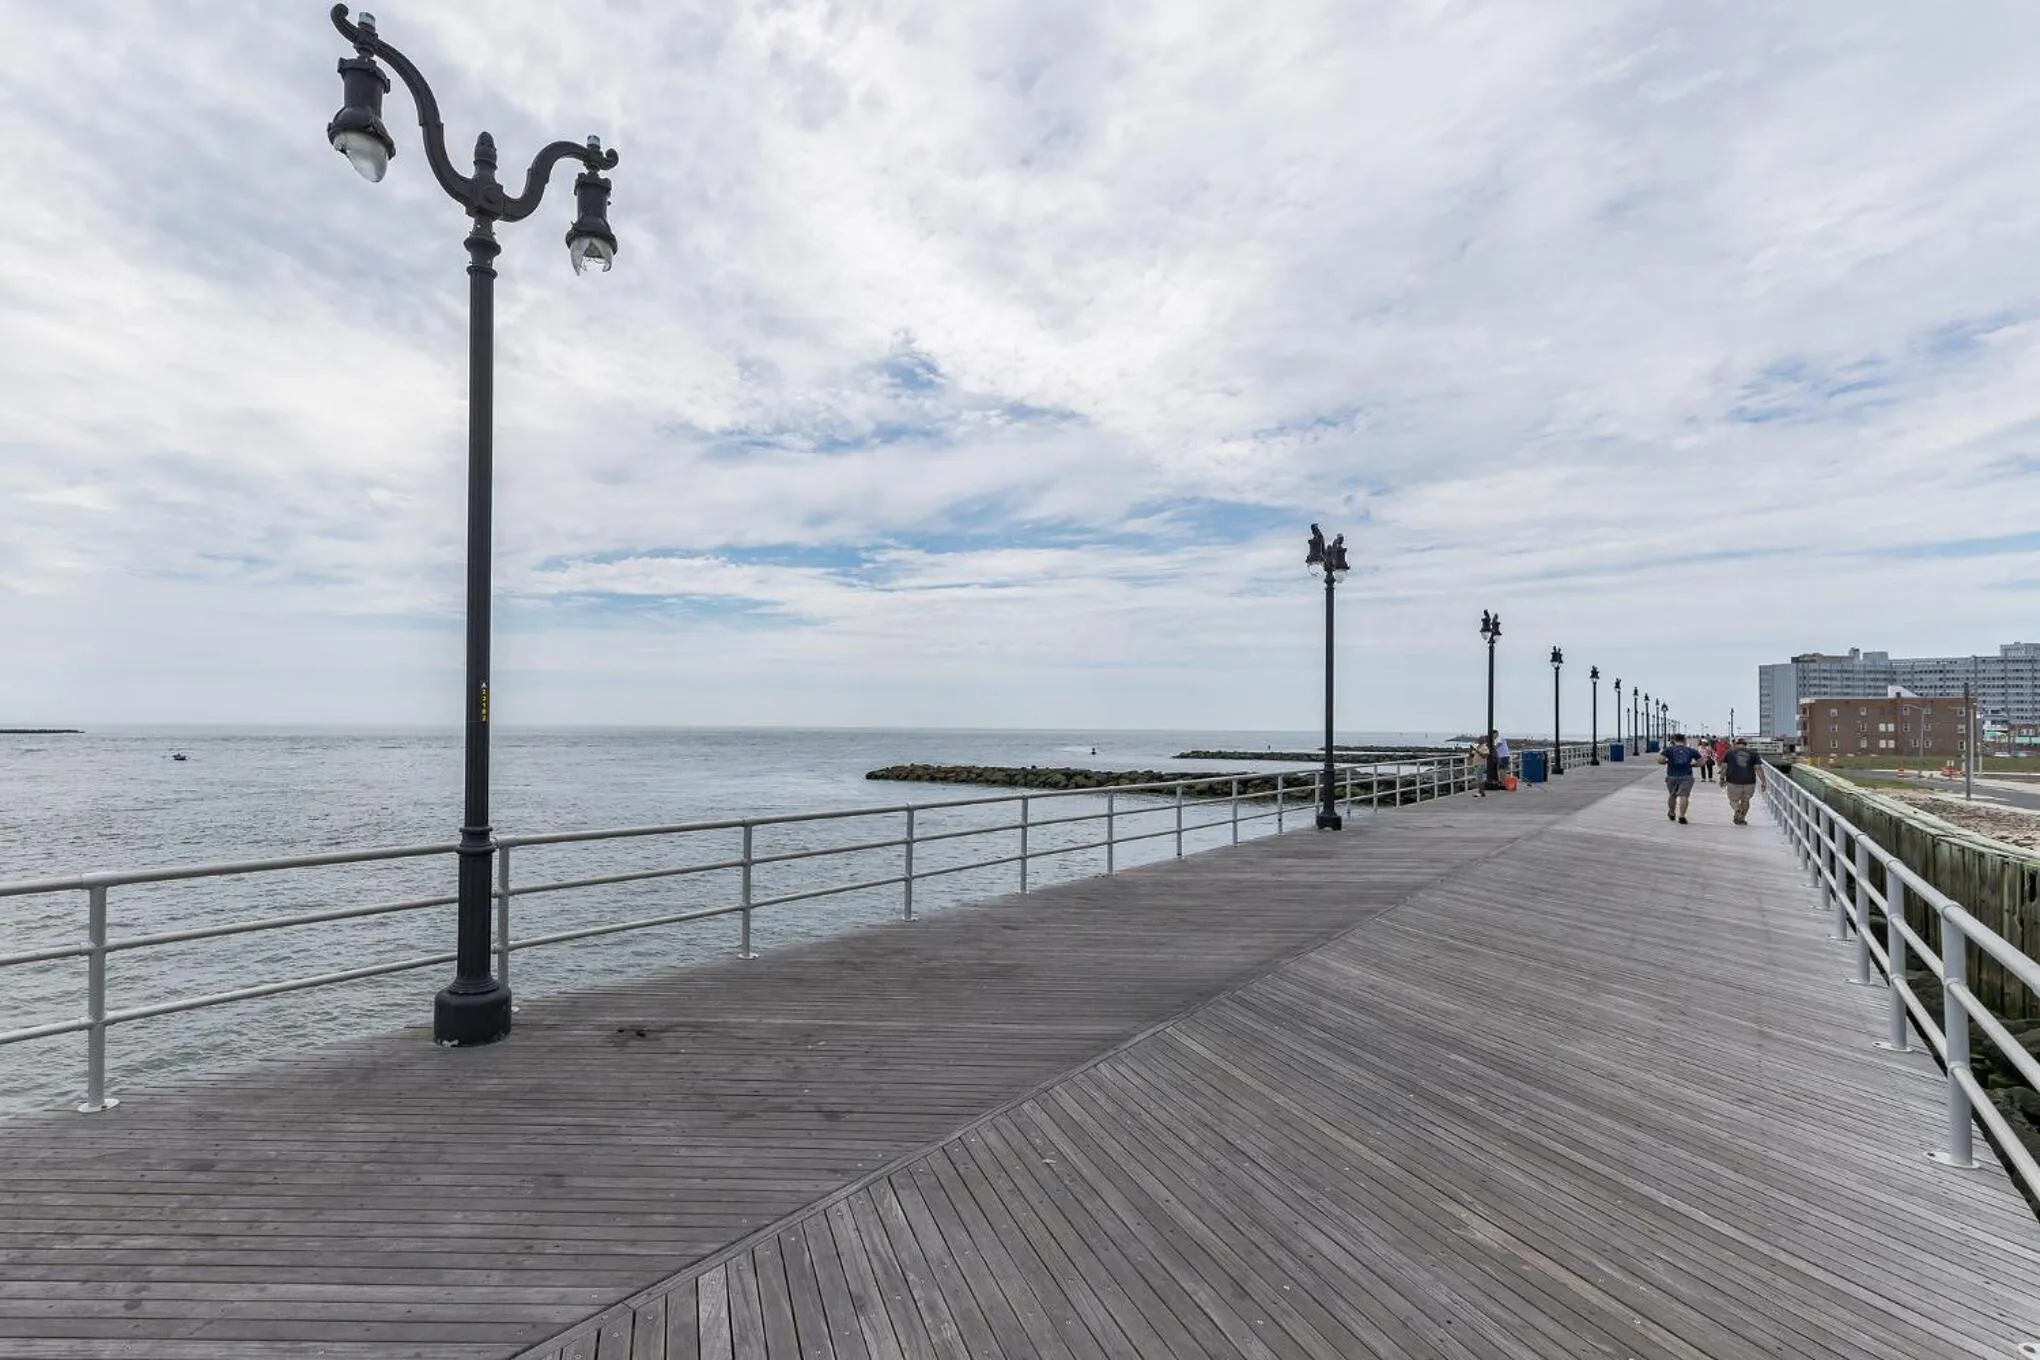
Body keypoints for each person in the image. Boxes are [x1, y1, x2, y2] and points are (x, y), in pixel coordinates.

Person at [1720, 736, 1768, 825]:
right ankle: (1741, 819)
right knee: (1746, 800)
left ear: (1735, 744)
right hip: (1749, 781)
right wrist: (1763, 781)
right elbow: (1758, 768)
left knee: (1733, 800)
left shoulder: (1729, 753)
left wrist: (1722, 778)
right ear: (1746, 744)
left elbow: (1724, 767)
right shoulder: (1753, 753)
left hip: (1733, 781)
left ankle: (1737, 809)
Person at [1659, 731, 1701, 823]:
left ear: (1674, 740)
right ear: (1684, 740)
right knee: (1684, 796)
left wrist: (1667, 762)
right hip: (1687, 776)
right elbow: (1702, 762)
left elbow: (1660, 760)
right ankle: (1682, 816)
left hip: (1672, 776)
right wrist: (1693, 765)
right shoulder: (1691, 750)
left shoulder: (1668, 749)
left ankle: (1672, 812)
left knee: (1672, 795)